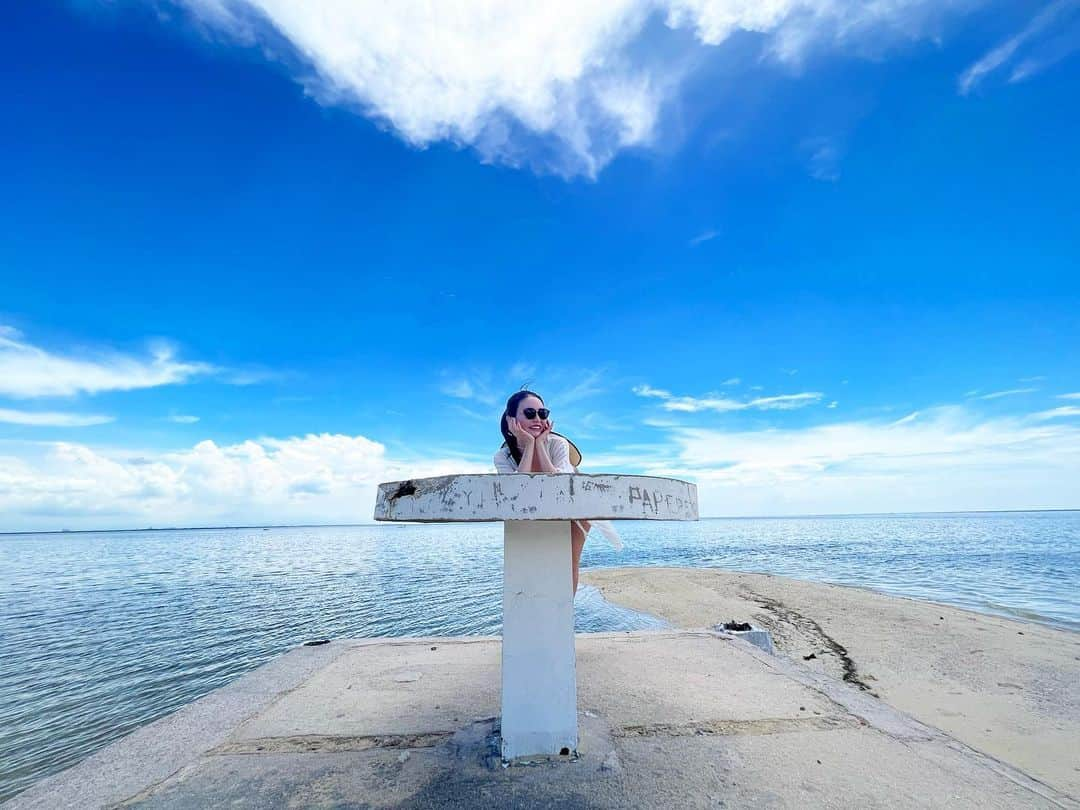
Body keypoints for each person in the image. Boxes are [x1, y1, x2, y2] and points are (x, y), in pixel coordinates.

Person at [494, 390, 622, 595]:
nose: (537, 419)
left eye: (542, 413)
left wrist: (540, 445)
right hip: (533, 510)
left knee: (568, 563)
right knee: (533, 566)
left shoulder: (557, 444)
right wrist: (528, 445)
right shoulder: (503, 456)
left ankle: (564, 615)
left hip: (575, 507)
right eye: (529, 413)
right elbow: (516, 489)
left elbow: (560, 483)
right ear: (511, 420)